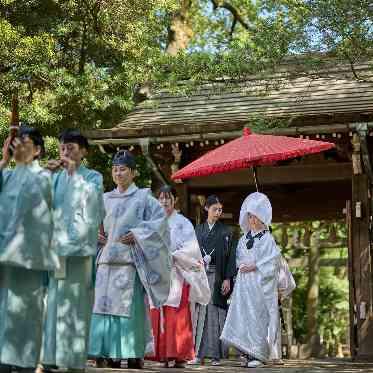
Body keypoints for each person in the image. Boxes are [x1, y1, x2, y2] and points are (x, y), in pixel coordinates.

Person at [88, 150, 172, 369]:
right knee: (102, 308)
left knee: (130, 310)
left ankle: (133, 352)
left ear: (133, 172)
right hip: (106, 262)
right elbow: (92, 222)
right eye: (115, 170)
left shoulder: (144, 198)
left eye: (123, 169)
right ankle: (104, 351)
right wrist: (94, 232)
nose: (118, 173)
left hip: (129, 263)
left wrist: (138, 233)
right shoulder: (104, 198)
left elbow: (160, 223)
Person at [41, 129, 104, 372]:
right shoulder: (55, 178)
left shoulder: (93, 177)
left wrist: (73, 174)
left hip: (79, 251)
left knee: (76, 305)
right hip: (57, 250)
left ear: (84, 152)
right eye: (63, 148)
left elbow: (95, 204)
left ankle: (73, 360)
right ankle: (50, 357)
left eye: (72, 148)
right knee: (54, 302)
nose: (66, 152)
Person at [0, 127, 59, 373]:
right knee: (5, 314)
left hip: (28, 260)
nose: (18, 148)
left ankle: (25, 364)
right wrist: (3, 161)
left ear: (37, 150)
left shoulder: (44, 177)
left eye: (25, 144)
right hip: (5, 259)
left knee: (27, 314)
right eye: (16, 144)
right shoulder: (7, 175)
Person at [149, 185, 211, 368]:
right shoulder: (153, 222)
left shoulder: (183, 223)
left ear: (175, 200)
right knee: (159, 312)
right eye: (161, 198)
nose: (164, 201)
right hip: (159, 273)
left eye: (168, 198)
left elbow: (192, 249)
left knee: (177, 314)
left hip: (177, 272)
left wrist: (174, 255)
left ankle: (179, 355)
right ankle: (162, 354)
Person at [220, 192, 281, 368]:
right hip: (244, 283)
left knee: (258, 316)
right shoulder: (243, 238)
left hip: (259, 283)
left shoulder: (267, 238)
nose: (252, 220)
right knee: (244, 315)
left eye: (255, 216)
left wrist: (255, 266)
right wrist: (241, 266)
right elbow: (238, 257)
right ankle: (247, 352)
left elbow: (273, 260)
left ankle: (259, 354)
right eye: (250, 216)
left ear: (262, 218)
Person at [190, 195, 236, 366]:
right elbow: (190, 252)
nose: (218, 212)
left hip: (217, 276)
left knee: (216, 314)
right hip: (200, 276)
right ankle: (197, 353)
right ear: (206, 209)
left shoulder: (226, 232)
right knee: (199, 313)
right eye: (215, 209)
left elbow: (231, 257)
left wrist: (228, 279)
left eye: (220, 210)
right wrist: (197, 261)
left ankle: (216, 354)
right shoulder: (198, 230)